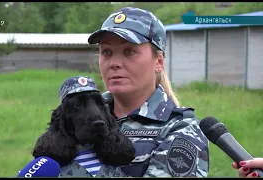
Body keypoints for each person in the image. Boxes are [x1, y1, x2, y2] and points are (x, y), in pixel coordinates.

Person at [59, 7, 209, 177]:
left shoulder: (181, 131)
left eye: (129, 51)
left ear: (158, 61)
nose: (114, 63)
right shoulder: (81, 116)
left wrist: (84, 167)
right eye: (106, 52)